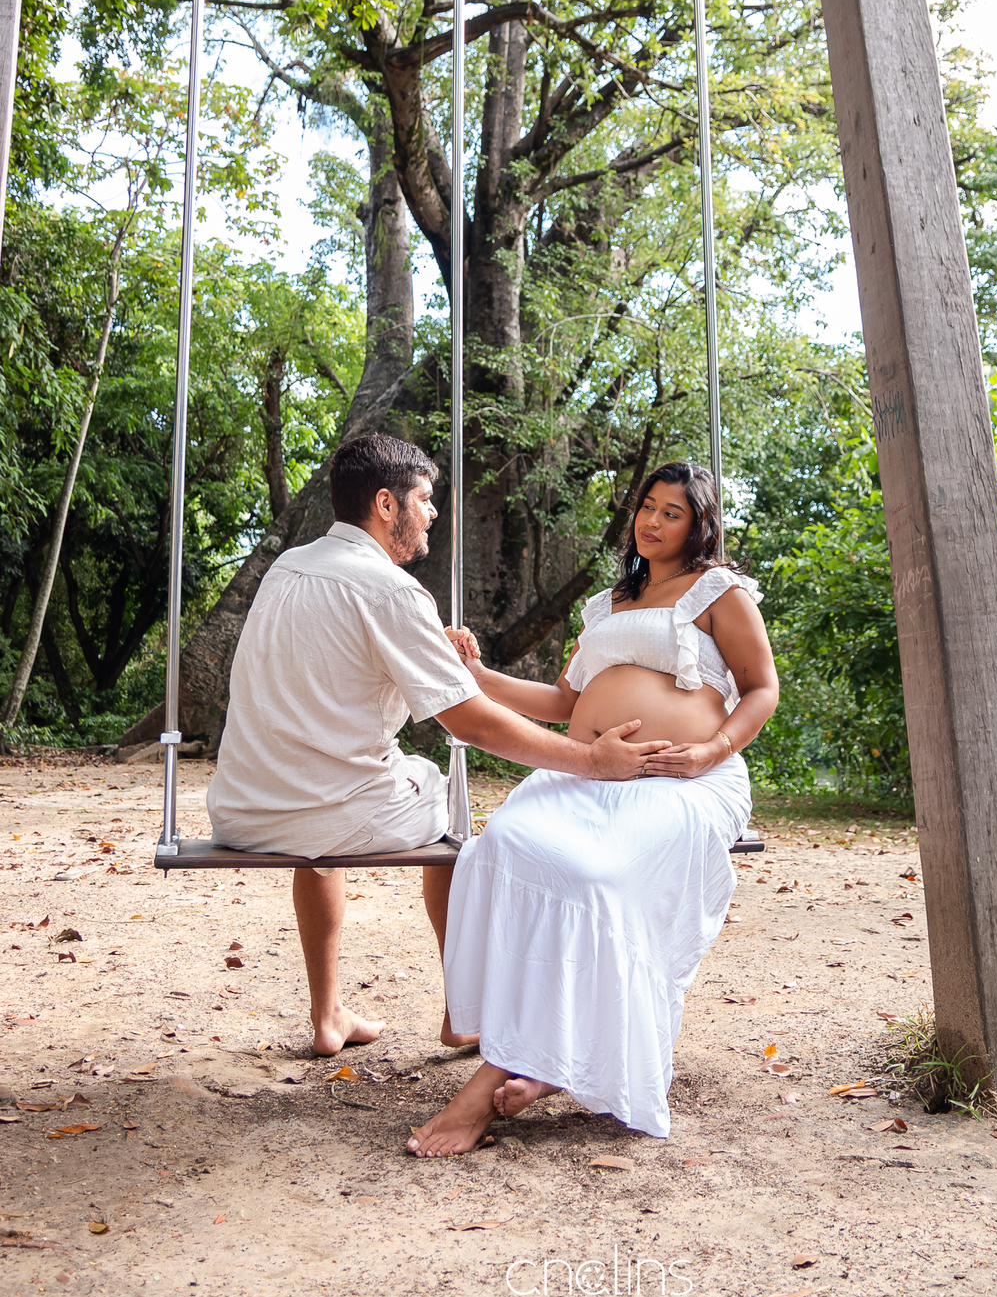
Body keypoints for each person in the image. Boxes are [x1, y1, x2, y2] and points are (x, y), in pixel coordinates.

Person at [207, 432, 672, 1058]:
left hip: (242, 808)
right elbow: (471, 723)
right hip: (325, 811)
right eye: (423, 500)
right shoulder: (391, 591)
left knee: (340, 799)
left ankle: (328, 1015)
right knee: (445, 799)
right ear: (385, 505)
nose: (432, 513)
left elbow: (334, 670)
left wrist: (428, 639)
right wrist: (590, 760)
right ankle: (461, 1011)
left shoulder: (288, 566)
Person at [407, 459, 780, 1155]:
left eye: (673, 511)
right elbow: (565, 705)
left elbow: (761, 687)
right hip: (585, 775)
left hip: (683, 780)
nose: (654, 520)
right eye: (648, 505)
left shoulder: (718, 592)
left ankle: (491, 1085)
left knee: (595, 879)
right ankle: (545, 1058)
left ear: (699, 524)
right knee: (504, 843)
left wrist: (711, 751)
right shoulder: (606, 606)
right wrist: (478, 677)